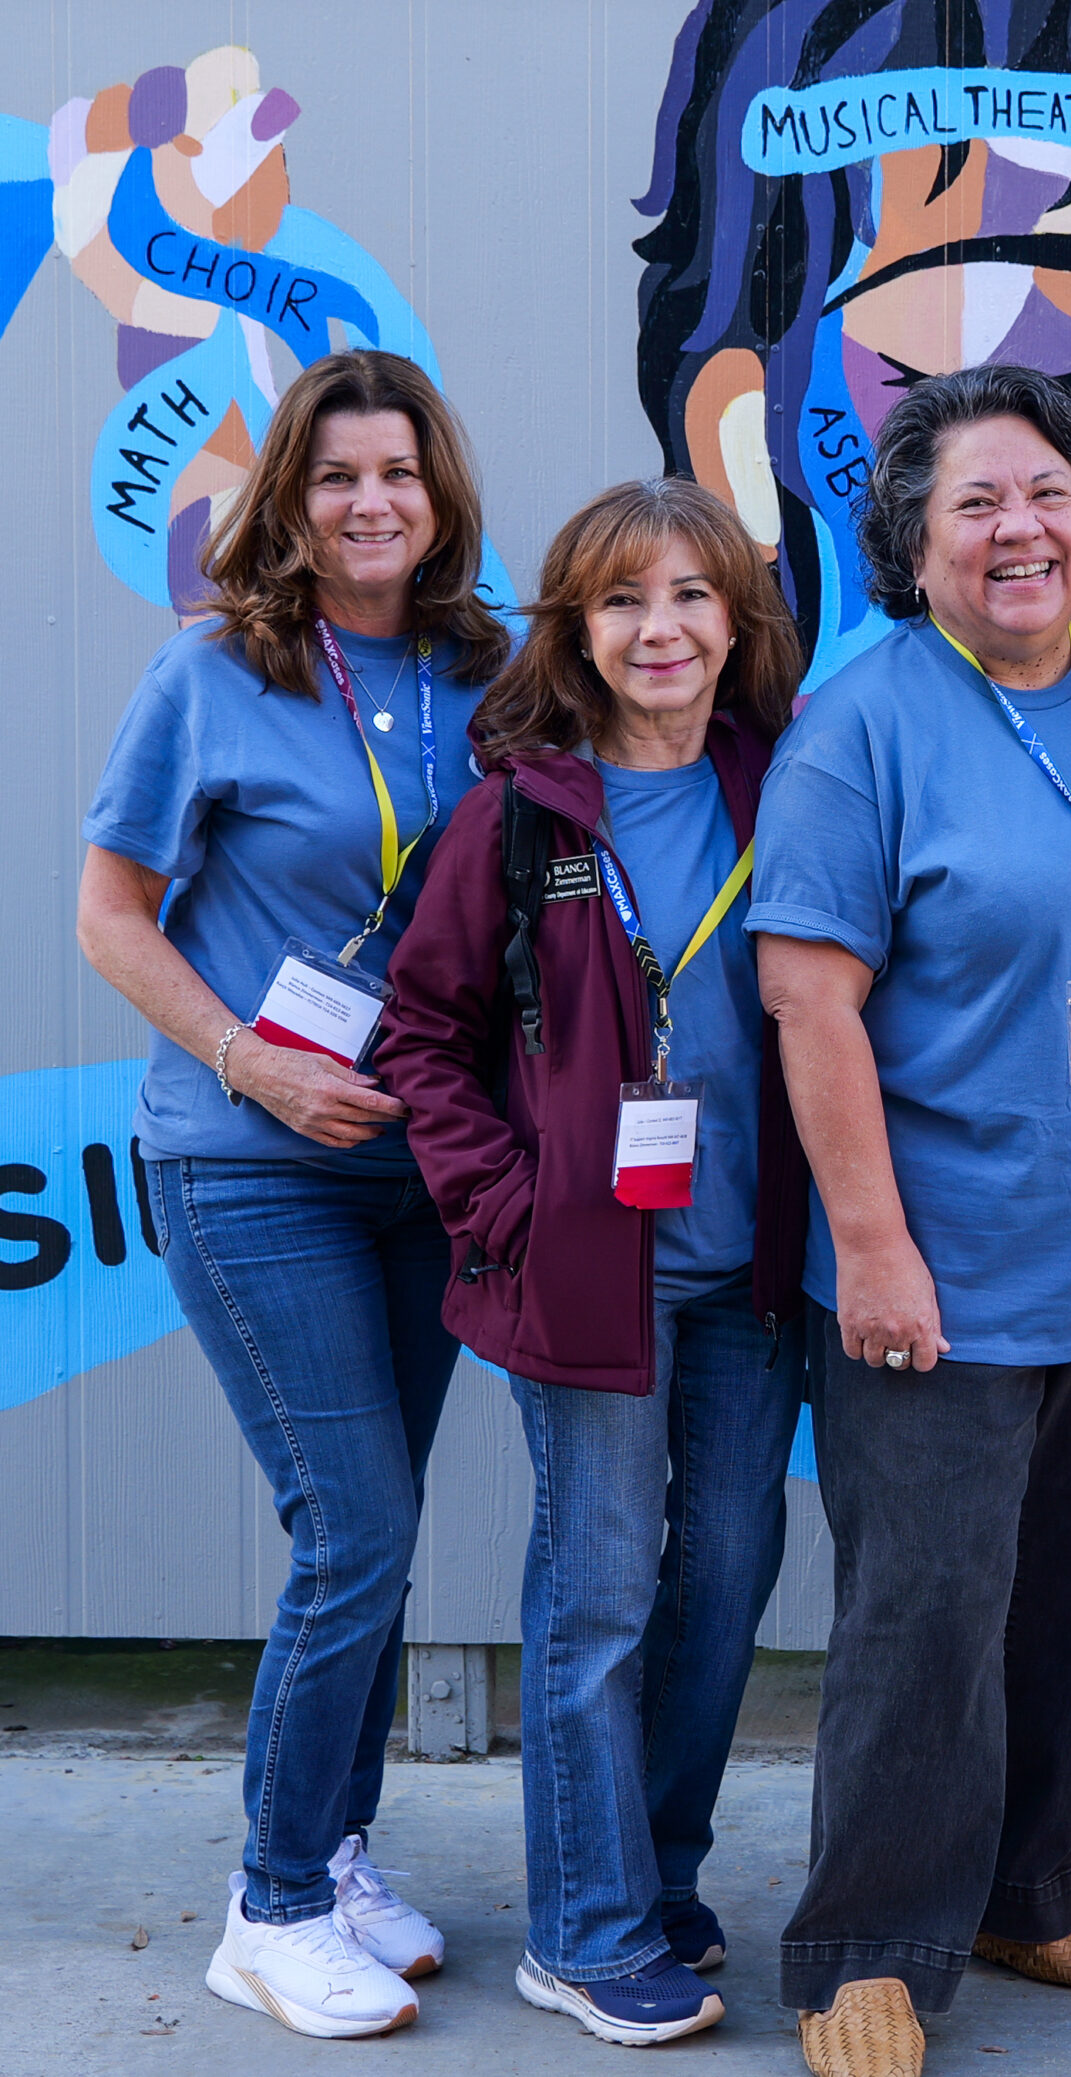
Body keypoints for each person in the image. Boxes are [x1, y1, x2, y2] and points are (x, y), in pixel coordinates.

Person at [750, 365, 1071, 2077]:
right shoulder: (862, 724)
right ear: (913, 540)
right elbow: (812, 1006)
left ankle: (1023, 1888)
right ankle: (866, 1942)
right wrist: (872, 1247)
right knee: (925, 1616)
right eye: (976, 504)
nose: (1020, 529)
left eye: (1045, 492)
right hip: (936, 1276)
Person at [75, 349, 512, 2040]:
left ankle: (333, 1854)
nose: (370, 502)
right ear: (292, 502)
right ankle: (266, 1906)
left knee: (371, 1532)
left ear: (439, 490)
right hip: (252, 1163)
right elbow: (112, 916)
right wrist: (253, 1063)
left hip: (423, 1171)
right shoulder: (214, 672)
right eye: (335, 478)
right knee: (358, 1527)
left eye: (397, 471)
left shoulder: (483, 671)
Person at [373, 480, 808, 2047]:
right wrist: (504, 1204)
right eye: (625, 600)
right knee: (600, 1596)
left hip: (751, 1269)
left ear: (737, 621)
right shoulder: (524, 811)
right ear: (579, 628)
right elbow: (424, 1028)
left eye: (693, 596)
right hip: (588, 1274)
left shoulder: (789, 785)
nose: (662, 628)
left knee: (727, 1580)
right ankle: (584, 1925)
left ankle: (657, 1876)